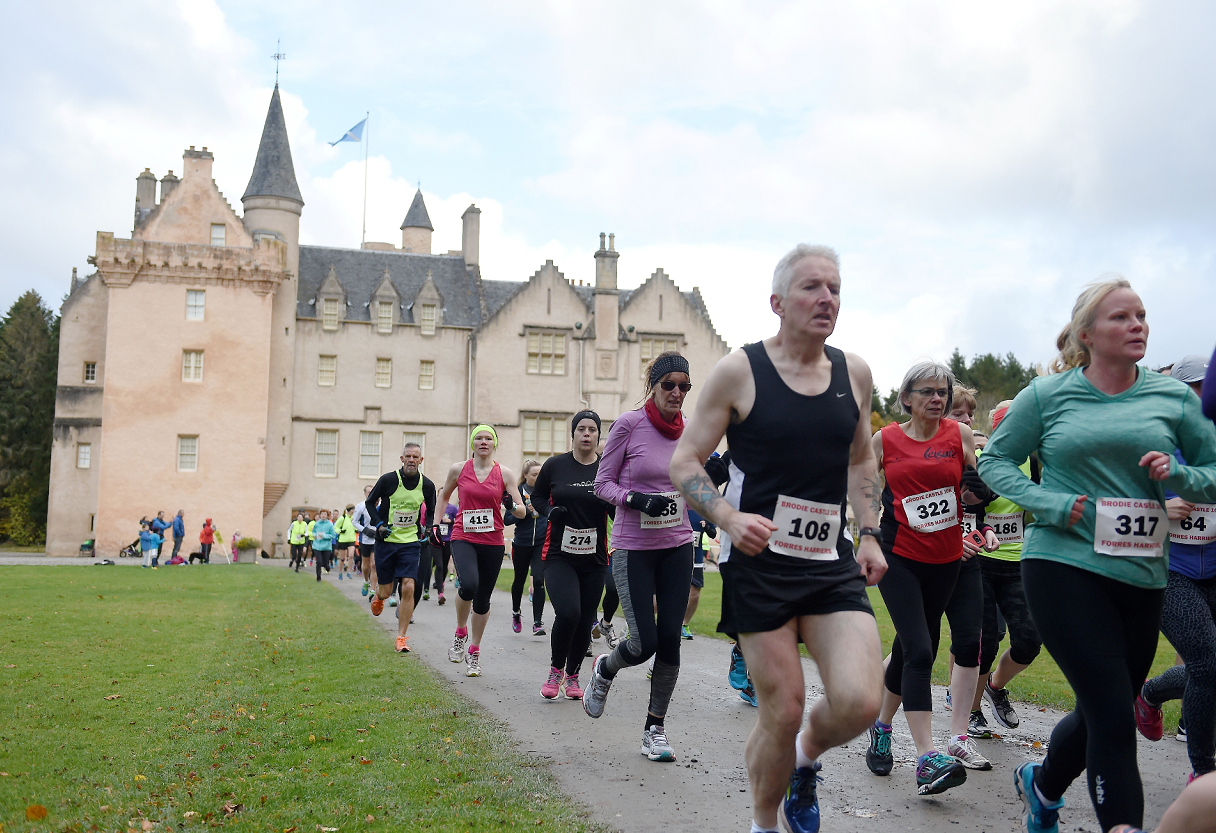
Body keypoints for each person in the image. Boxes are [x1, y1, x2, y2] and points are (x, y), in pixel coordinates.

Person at [978, 278, 1216, 833]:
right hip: (1062, 564)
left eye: (1141, 315)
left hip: (1140, 570)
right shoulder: (1047, 395)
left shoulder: (1174, 397)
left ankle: (1042, 785)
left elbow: (1211, 474)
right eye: (1121, 318)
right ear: (1086, 335)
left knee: (1103, 706)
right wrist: (1053, 505)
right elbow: (996, 462)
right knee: (1113, 714)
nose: (1138, 325)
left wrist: (1178, 475)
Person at [669, 244, 888, 832]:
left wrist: (869, 534)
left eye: (835, 289)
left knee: (862, 701)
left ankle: (803, 759)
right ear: (777, 302)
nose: (827, 299)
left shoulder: (855, 372)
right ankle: (765, 823)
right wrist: (727, 518)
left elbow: (862, 460)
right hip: (757, 561)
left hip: (827, 561)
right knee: (783, 707)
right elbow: (686, 461)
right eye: (812, 287)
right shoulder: (740, 371)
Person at [868, 361, 994, 794]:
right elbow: (865, 493)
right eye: (927, 392)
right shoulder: (884, 440)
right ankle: (927, 758)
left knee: (911, 648)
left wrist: (981, 503)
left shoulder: (958, 436)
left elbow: (971, 493)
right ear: (906, 398)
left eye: (942, 392)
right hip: (898, 556)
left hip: (946, 560)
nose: (937, 399)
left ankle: (881, 727)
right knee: (921, 650)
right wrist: (865, 537)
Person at [582, 350, 695, 763]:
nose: (677, 393)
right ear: (654, 385)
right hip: (634, 548)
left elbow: (697, 482)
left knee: (670, 640)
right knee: (643, 641)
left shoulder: (691, 432)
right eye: (670, 385)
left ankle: (655, 728)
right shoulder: (630, 425)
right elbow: (603, 484)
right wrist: (634, 498)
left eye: (684, 386)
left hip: (679, 544)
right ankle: (605, 669)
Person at [1136, 357, 1216, 780]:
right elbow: (1115, 511)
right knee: (1207, 665)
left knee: (1212, 666)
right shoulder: (1155, 440)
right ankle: (1203, 773)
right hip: (1171, 571)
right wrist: (1161, 510)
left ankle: (1151, 693)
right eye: (1197, 387)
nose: (1206, 395)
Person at [965, 399, 1043, 736]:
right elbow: (969, 511)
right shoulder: (980, 461)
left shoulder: (1032, 462)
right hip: (981, 562)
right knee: (987, 640)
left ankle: (997, 687)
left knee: (1029, 640)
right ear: (999, 426)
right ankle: (971, 709)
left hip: (1017, 563)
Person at [531, 410, 611, 700]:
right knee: (568, 612)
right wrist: (550, 511)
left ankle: (573, 676)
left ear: (598, 435)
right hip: (558, 554)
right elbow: (537, 497)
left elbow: (616, 506)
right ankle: (555, 670)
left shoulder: (606, 469)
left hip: (595, 558)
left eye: (592, 429)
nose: (587, 434)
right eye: (582, 429)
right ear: (574, 434)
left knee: (586, 618)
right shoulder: (555, 466)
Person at [434, 425, 526, 674]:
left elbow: (522, 510)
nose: (483, 442)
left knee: (483, 600)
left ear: (494, 443)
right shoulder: (459, 469)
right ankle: (460, 631)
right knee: (469, 585)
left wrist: (510, 505)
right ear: (472, 443)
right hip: (463, 536)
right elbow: (443, 496)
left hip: (492, 542)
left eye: (488, 438)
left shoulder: (504, 474)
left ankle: (474, 651)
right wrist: (435, 523)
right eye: (478, 438)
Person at [365, 442, 437, 654]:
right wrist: (379, 524)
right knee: (387, 590)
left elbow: (431, 510)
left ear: (421, 461)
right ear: (402, 458)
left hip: (410, 542)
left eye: (416, 457)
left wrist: (428, 530)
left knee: (408, 587)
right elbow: (370, 503)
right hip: (387, 542)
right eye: (408, 456)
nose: (412, 460)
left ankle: (401, 638)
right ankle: (379, 596)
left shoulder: (427, 485)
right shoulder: (388, 480)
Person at [507, 459, 549, 635]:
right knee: (519, 580)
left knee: (539, 580)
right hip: (522, 543)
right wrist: (523, 511)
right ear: (525, 475)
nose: (538, 478)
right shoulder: (517, 492)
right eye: (534, 475)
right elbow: (506, 520)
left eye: (541, 474)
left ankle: (537, 622)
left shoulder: (546, 492)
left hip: (540, 543)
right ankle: (516, 613)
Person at [682, 508, 717, 640]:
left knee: (695, 595)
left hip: (696, 559)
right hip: (675, 556)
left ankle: (684, 624)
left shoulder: (703, 510)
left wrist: (706, 526)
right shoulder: (680, 505)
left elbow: (713, 534)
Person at [353, 486, 376, 595]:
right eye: (368, 492)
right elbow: (355, 522)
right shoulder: (361, 506)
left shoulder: (379, 505)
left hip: (377, 539)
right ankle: (366, 581)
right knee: (366, 566)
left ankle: (373, 589)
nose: (370, 494)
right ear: (365, 493)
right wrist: (365, 530)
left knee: (374, 564)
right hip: (365, 539)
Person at [310, 510, 335, 582]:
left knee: (324, 563)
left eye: (325, 514)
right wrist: (314, 535)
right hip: (317, 545)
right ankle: (318, 577)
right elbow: (313, 531)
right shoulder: (317, 524)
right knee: (319, 562)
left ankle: (327, 567)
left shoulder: (330, 524)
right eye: (322, 514)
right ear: (320, 515)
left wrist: (324, 536)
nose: (323, 515)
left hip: (326, 546)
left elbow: (333, 535)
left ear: (327, 516)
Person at [334, 505, 357, 580]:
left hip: (351, 539)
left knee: (351, 555)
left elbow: (357, 526)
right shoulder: (342, 518)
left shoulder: (355, 518)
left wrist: (357, 529)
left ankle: (349, 572)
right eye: (353, 509)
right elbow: (335, 527)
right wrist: (340, 531)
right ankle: (340, 572)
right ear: (349, 510)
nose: (354, 511)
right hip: (343, 540)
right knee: (342, 558)